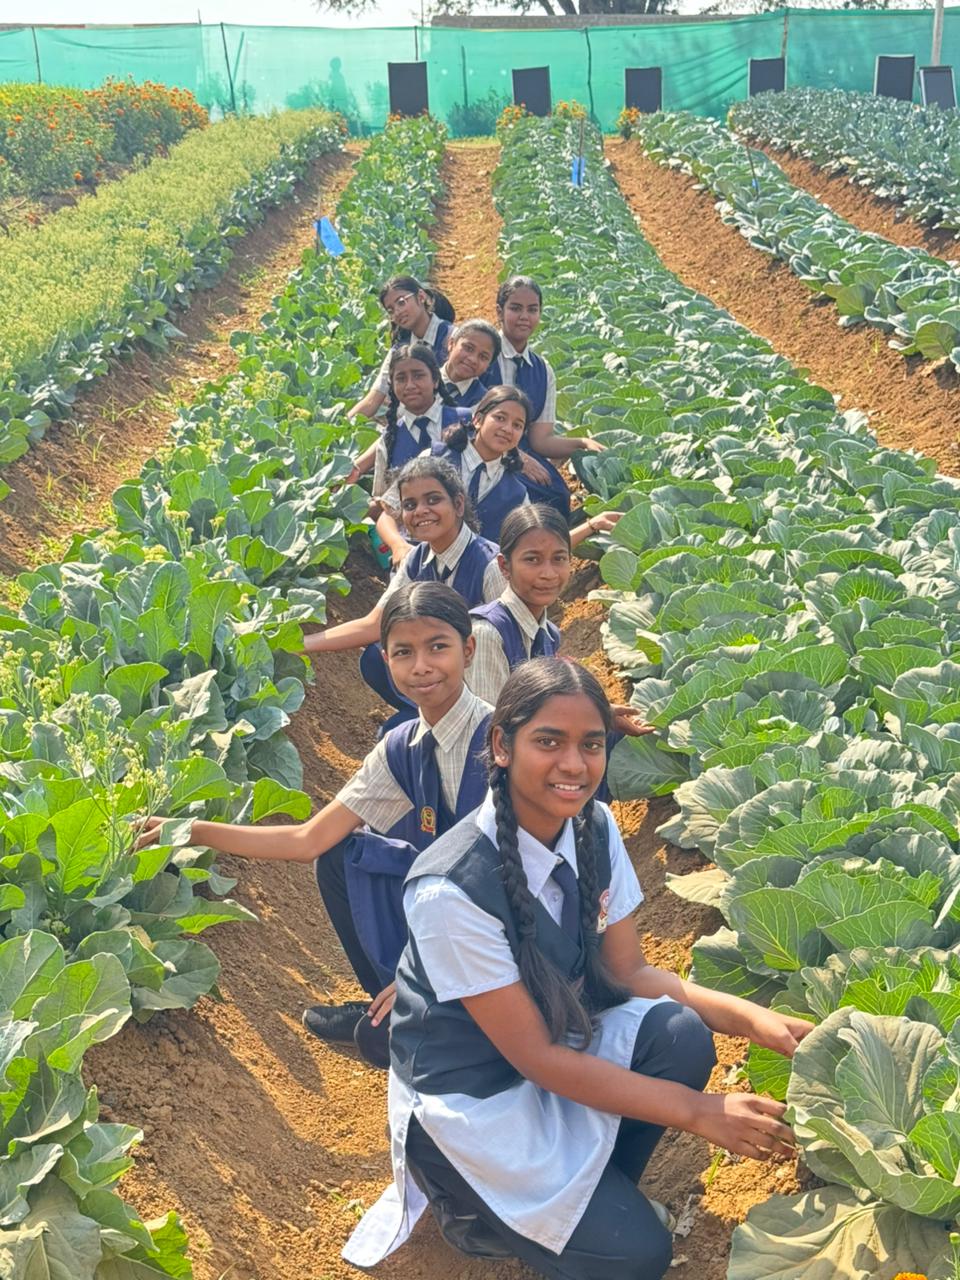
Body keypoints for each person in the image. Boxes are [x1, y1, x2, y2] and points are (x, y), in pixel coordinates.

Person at [343, 659, 812, 1275]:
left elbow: (633, 976)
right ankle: (474, 1212)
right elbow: (535, 1059)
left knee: (678, 1033)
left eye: (591, 744)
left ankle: (596, 1195)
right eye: (549, 741)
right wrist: (699, 1112)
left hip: (554, 1043)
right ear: (501, 746)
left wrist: (756, 1022)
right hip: (474, 1094)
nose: (574, 764)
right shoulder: (449, 889)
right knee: (638, 1258)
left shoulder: (594, 824)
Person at [137, 582, 491, 1066]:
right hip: (448, 922)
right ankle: (388, 997)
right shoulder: (403, 746)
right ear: (385, 660)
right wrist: (190, 830)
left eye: (438, 647)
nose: (421, 666)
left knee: (407, 1042)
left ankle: (428, 1008)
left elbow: (513, 884)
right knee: (341, 857)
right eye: (403, 652)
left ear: (468, 650)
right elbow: (308, 839)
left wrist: (430, 973)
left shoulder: (502, 742)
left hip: (503, 936)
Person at [305, 458, 505, 714]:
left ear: (458, 504)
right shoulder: (416, 559)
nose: (421, 511)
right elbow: (374, 625)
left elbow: (512, 646)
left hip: (490, 690)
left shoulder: (490, 565)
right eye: (410, 505)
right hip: (443, 682)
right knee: (376, 659)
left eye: (433, 500)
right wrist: (301, 643)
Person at [466, 503, 652, 741]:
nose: (548, 573)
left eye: (559, 559)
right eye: (532, 560)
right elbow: (489, 735)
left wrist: (600, 714)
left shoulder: (547, 633)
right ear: (504, 566)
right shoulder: (488, 634)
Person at [481, 276, 605, 518]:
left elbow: (541, 441)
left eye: (532, 309)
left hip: (523, 452)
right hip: (482, 452)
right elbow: (462, 414)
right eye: (515, 308)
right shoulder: (483, 356)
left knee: (557, 495)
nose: (524, 316)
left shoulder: (542, 370)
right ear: (499, 311)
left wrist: (581, 443)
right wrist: (516, 456)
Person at [346, 342, 471, 497]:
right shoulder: (390, 438)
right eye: (401, 379)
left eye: (418, 376)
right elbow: (381, 497)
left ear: (435, 380)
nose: (410, 385)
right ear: (392, 386)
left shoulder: (465, 421)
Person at [348, 275, 454, 422]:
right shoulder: (399, 350)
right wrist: (342, 427)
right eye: (391, 310)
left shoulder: (452, 338)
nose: (397, 312)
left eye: (401, 302)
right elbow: (373, 399)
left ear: (421, 297)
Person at [440, 318, 501, 409]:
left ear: (488, 365)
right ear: (451, 344)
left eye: (483, 357)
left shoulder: (482, 403)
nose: (473, 359)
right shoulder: (423, 377)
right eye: (468, 348)